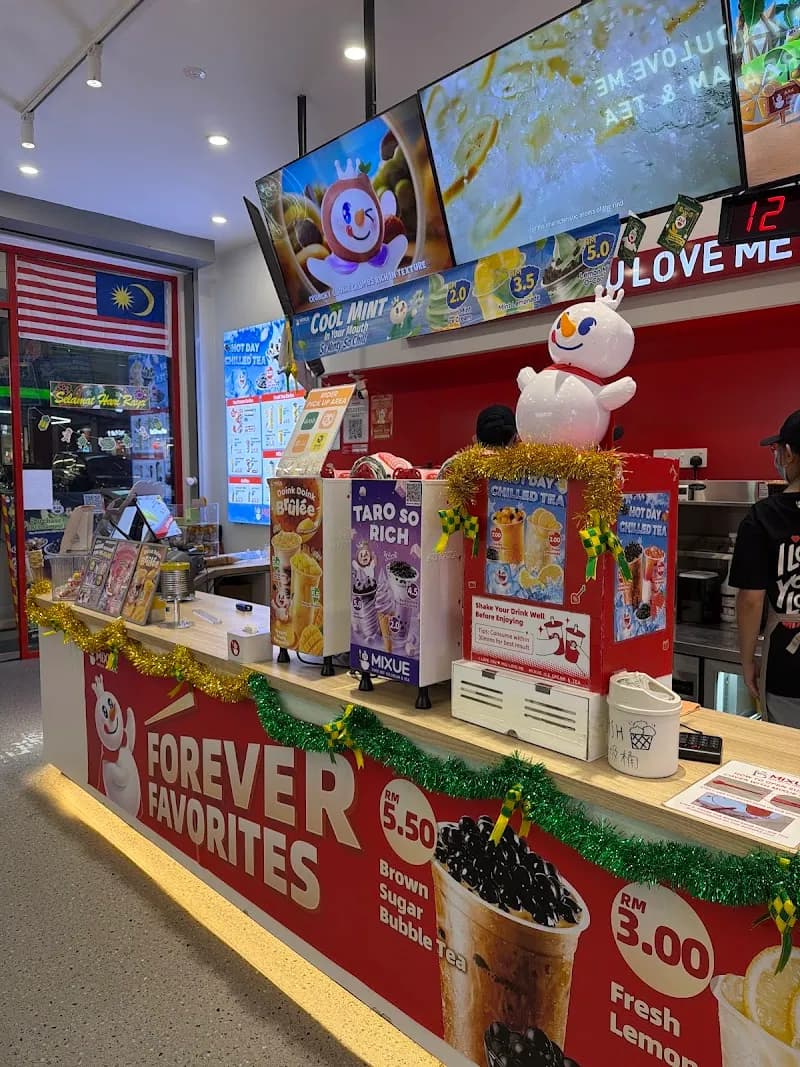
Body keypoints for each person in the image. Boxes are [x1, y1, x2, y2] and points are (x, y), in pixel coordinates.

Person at [730, 411, 800, 726]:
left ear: (788, 453)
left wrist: (747, 662)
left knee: (788, 761)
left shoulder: (762, 517)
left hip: (788, 665)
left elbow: (750, 600)